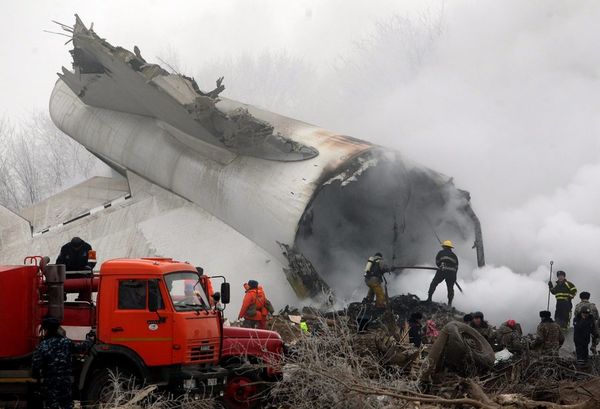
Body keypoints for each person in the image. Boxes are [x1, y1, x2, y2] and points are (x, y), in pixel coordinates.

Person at [32, 317, 93, 409]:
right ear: (57, 328)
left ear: (46, 329)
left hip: (50, 384)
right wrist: (90, 339)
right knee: (67, 405)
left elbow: (35, 366)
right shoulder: (66, 342)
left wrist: (38, 382)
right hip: (65, 383)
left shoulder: (43, 346)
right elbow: (81, 348)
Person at [427, 240, 459, 306]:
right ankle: (449, 304)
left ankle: (429, 298)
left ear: (444, 247)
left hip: (442, 270)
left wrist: (440, 266)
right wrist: (454, 277)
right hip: (452, 273)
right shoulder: (454, 256)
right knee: (450, 288)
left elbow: (437, 262)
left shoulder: (440, 253)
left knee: (434, 283)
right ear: (450, 248)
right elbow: (456, 267)